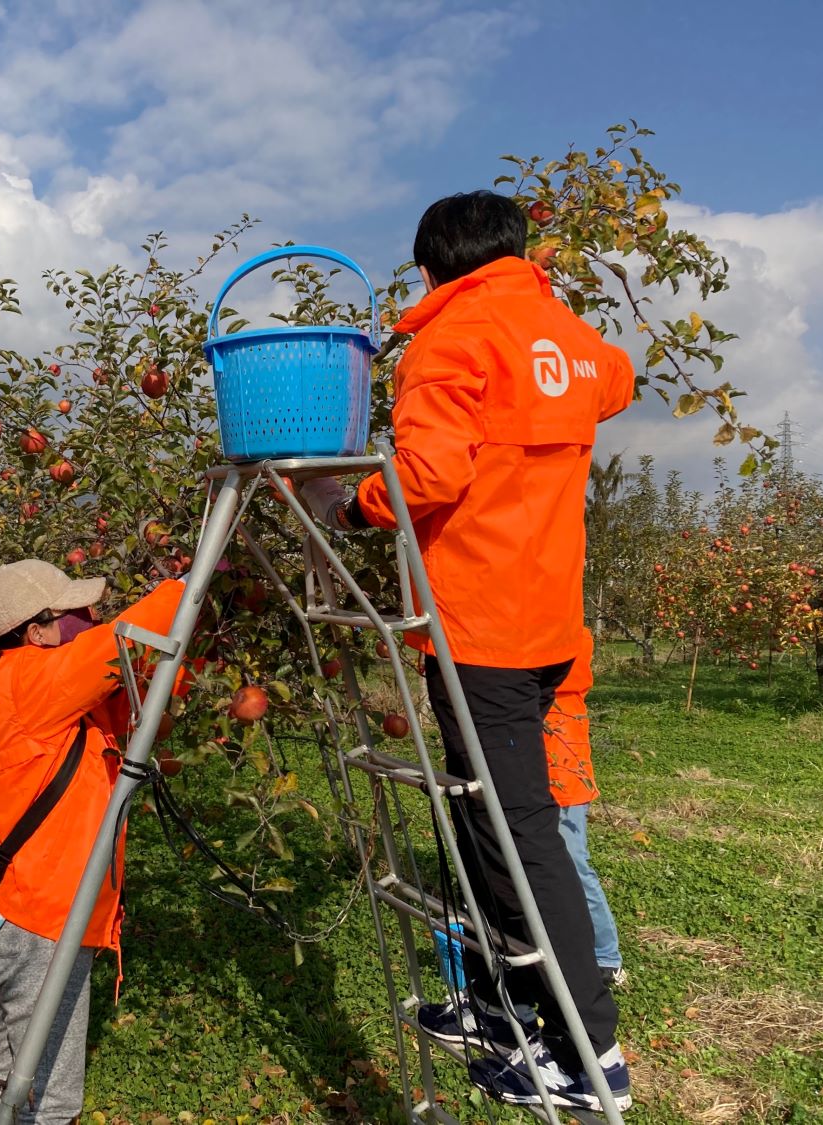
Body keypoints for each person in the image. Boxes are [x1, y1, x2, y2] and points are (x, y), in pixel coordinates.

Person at [300, 190, 635, 1111]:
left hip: (481, 621)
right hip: (550, 620)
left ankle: (588, 1050)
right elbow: (617, 377)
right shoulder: (562, 333)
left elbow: (431, 474)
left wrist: (351, 501)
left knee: (514, 830)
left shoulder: (451, 341)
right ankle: (498, 1008)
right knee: (485, 814)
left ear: (431, 265)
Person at [0, 561, 183, 1124]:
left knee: (6, 1068)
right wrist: (190, 586)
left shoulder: (61, 697)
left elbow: (145, 696)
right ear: (34, 631)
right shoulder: (27, 679)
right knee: (51, 1090)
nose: (91, 617)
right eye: (74, 612)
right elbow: (113, 647)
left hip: (32, 910)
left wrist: (193, 637)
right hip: (39, 918)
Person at [545, 628, 624, 990]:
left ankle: (606, 956)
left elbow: (556, 679)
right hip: (536, 769)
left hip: (563, 770)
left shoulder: (571, 636)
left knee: (573, 863)